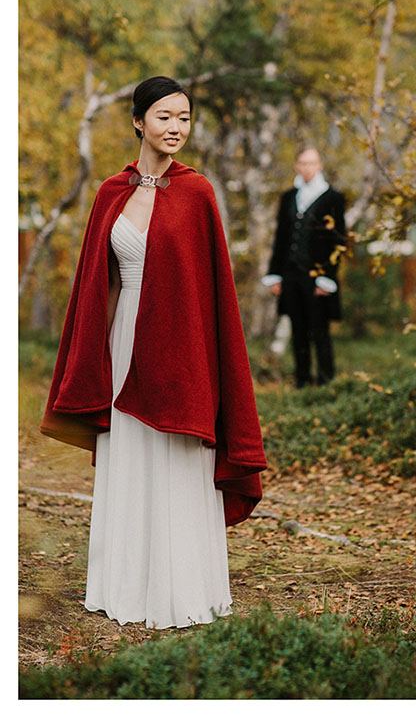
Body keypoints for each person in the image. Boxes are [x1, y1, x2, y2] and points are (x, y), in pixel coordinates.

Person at [41, 76, 267, 629]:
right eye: (164, 117)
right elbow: (97, 285)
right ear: (139, 121)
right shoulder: (109, 193)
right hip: (123, 343)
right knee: (133, 459)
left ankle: (183, 588)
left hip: (184, 347)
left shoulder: (198, 193)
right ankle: (127, 585)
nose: (176, 128)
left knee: (178, 459)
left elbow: (213, 293)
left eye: (185, 118)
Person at [263, 148, 347, 388]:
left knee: (319, 330)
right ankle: (301, 380)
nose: (307, 167)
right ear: (297, 166)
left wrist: (327, 278)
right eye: (302, 163)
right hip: (291, 275)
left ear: (319, 165)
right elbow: (280, 238)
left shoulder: (333, 198)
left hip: (318, 276)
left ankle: (326, 381)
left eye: (311, 163)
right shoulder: (289, 196)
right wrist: (274, 274)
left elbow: (339, 241)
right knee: (297, 328)